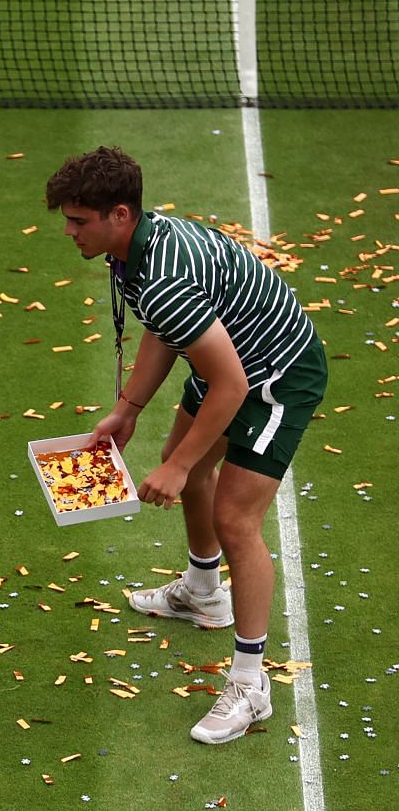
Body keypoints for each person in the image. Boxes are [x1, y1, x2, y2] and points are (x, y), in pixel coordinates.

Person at [47, 146, 328, 745]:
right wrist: (128, 410)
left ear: (119, 214)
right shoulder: (138, 251)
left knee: (235, 518)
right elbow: (163, 332)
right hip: (233, 361)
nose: (69, 232)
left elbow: (234, 385)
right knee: (199, 476)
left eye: (78, 221)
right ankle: (203, 595)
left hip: (277, 378)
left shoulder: (166, 274)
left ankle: (252, 686)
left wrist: (174, 464)